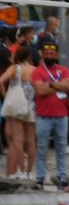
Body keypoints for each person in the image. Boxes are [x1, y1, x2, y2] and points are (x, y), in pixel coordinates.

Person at [32, 39, 69, 190]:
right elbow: (39, 91)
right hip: (43, 116)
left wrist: (50, 84)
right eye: (47, 53)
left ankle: (62, 177)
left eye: (52, 53)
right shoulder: (37, 71)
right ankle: (39, 179)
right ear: (42, 54)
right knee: (42, 149)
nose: (50, 55)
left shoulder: (63, 70)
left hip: (61, 116)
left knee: (61, 149)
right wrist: (59, 86)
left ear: (56, 54)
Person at [1, 45, 36, 179]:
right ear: (29, 57)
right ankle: (29, 172)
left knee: (17, 140)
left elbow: (1, 80)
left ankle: (20, 171)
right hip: (31, 104)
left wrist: (6, 95)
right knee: (31, 141)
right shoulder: (35, 70)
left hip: (16, 106)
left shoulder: (14, 68)